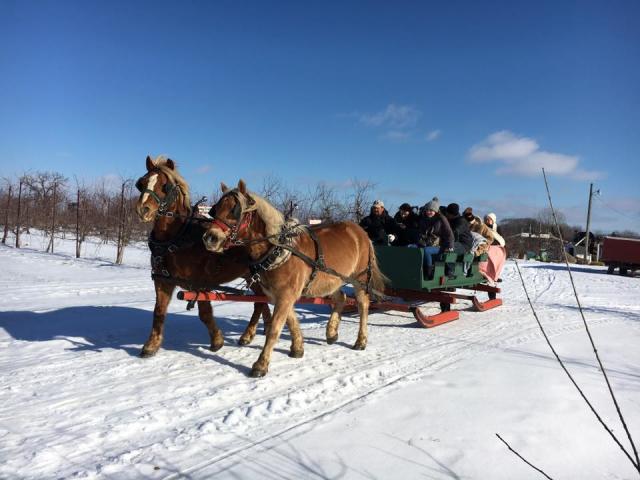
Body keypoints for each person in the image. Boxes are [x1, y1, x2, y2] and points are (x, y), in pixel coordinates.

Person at [416, 197, 454, 279]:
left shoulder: (441, 219)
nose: (428, 212)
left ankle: (428, 272)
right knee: (412, 248)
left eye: (431, 210)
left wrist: (450, 246)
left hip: (439, 245)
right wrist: (420, 241)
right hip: (427, 242)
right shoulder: (424, 219)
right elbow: (420, 233)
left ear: (435, 211)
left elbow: (449, 233)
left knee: (427, 251)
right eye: (427, 210)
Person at [479, 212, 507, 286]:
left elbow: (500, 240)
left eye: (489, 219)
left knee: (498, 257)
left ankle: (494, 275)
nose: (487, 221)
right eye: (486, 219)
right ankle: (485, 273)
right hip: (486, 247)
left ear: (493, 220)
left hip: (495, 248)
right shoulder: (483, 227)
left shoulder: (496, 229)